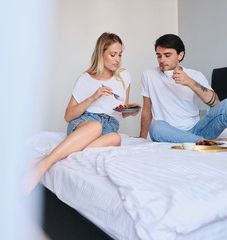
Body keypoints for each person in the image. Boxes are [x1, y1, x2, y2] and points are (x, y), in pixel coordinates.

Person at [23, 32, 140, 195]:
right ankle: (43, 166)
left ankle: (44, 159)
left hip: (110, 126)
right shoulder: (86, 79)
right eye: (113, 55)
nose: (117, 59)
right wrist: (93, 97)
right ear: (101, 54)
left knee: (116, 138)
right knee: (96, 126)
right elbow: (68, 116)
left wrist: (130, 111)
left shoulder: (124, 77)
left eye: (120, 55)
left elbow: (120, 110)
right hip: (86, 122)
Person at [139, 33, 227, 146]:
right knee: (156, 127)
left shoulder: (194, 75)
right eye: (159, 55)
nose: (162, 60)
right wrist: (142, 139)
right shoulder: (148, 75)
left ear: (180, 55)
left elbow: (216, 104)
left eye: (167, 55)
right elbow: (146, 109)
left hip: (199, 129)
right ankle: (215, 142)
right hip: (170, 133)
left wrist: (190, 82)